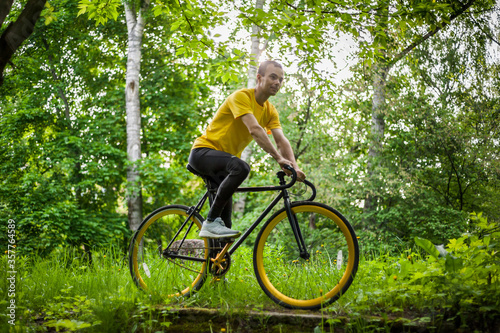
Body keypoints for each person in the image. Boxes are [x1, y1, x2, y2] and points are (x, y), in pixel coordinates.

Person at [188, 60, 306, 239]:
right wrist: (278, 159)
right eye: (273, 77)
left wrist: (295, 167)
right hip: (203, 153)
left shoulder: (270, 111)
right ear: (259, 78)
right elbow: (255, 129)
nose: (277, 82)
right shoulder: (242, 97)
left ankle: (213, 262)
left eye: (281, 80)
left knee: (225, 231)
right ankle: (210, 221)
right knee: (241, 167)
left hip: (223, 167)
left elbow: (281, 140)